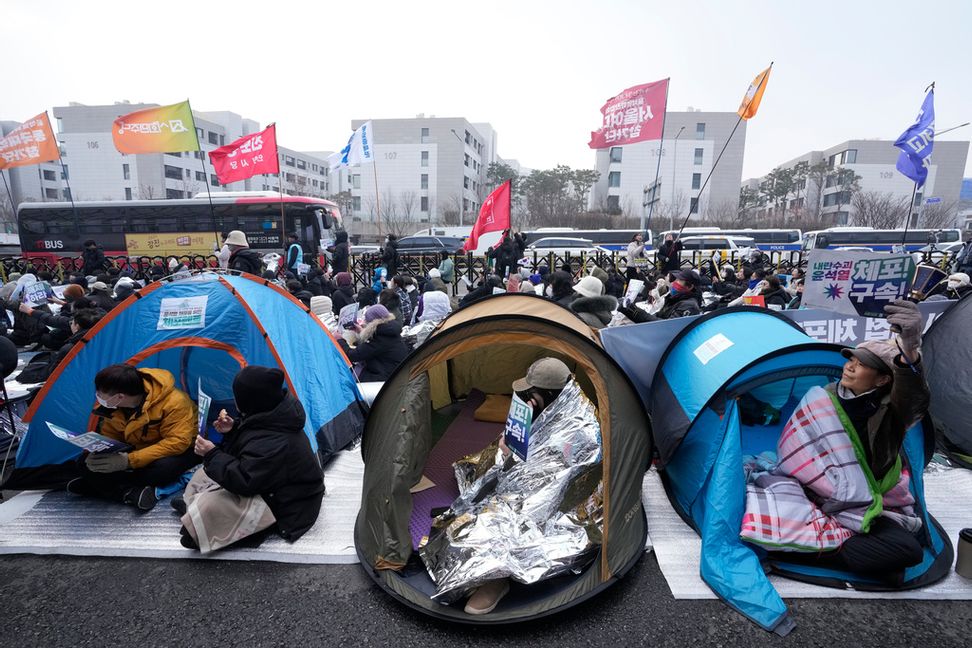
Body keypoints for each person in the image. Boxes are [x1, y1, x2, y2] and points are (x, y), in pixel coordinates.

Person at [754, 300, 928, 583]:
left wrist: (910, 352)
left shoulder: (892, 412)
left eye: (863, 366)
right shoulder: (822, 398)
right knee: (897, 559)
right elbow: (794, 454)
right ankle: (839, 552)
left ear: (883, 380)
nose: (850, 368)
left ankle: (806, 549)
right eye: (851, 360)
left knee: (911, 548)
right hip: (816, 495)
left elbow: (915, 399)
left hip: (870, 497)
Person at [176, 366, 326, 552]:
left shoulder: (276, 441)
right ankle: (198, 513)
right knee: (203, 474)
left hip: (287, 505)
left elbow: (245, 480)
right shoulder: (271, 414)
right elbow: (250, 447)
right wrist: (233, 431)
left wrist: (212, 453)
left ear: (250, 401)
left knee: (193, 532)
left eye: (237, 396)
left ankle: (247, 527)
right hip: (268, 484)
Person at [66, 365, 200, 511]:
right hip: (136, 450)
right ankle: (128, 492)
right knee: (84, 463)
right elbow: (111, 434)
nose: (97, 396)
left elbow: (177, 443)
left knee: (162, 471)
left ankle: (108, 489)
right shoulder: (114, 406)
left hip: (175, 451)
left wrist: (128, 461)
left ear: (120, 396)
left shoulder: (175, 402)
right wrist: (101, 451)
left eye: (100, 393)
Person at [16, 308, 106, 384]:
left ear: (77, 326)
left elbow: (53, 376)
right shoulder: (104, 341)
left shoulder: (71, 348)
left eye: (72, 323)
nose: (70, 324)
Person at [337, 304, 408, 382]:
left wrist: (340, 340)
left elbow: (352, 355)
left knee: (344, 372)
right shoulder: (388, 331)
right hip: (393, 373)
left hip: (384, 379)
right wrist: (362, 332)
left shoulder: (380, 339)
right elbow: (370, 347)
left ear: (372, 324)